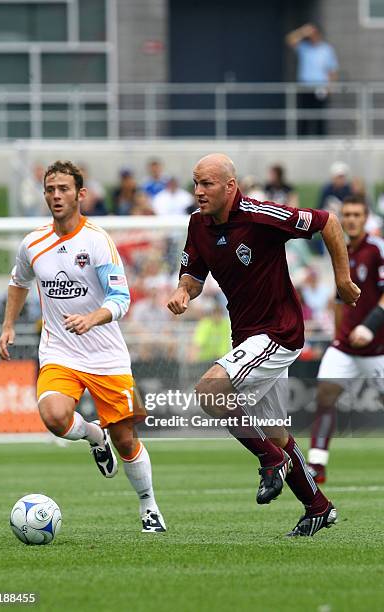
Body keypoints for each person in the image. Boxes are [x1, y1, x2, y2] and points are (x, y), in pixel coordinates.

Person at [167, 153, 360, 537]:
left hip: (278, 333)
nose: (198, 191)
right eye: (196, 183)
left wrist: (341, 279)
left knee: (210, 392)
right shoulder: (197, 224)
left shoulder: (261, 215)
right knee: (275, 434)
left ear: (230, 186)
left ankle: (271, 463)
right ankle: (317, 507)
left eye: (206, 184)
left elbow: (328, 222)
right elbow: (193, 274)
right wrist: (182, 292)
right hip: (247, 336)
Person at [0, 160, 166, 533]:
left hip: (106, 354)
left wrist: (93, 318)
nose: (56, 196)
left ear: (80, 194)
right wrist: (9, 325)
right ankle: (93, 435)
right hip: (59, 351)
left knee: (126, 441)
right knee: (55, 417)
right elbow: (18, 282)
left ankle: (148, 505)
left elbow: (121, 298)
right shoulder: (33, 243)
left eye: (64, 189)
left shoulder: (98, 242)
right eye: (50, 189)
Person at [308, 195, 384, 483]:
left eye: (356, 215)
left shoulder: (377, 249)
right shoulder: (340, 250)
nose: (351, 219)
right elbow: (340, 298)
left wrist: (370, 326)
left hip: (377, 346)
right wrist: (338, 335)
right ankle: (317, 464)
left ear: (366, 219)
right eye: (347, 215)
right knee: (325, 395)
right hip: (344, 345)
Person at [286, 23, 339, 136]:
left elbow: (332, 70)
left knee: (320, 116)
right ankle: (302, 139)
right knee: (304, 115)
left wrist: (330, 87)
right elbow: (289, 40)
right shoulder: (304, 47)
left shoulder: (326, 49)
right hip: (305, 86)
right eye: (310, 35)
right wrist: (302, 31)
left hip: (321, 87)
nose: (312, 36)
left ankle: (321, 138)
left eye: (314, 34)